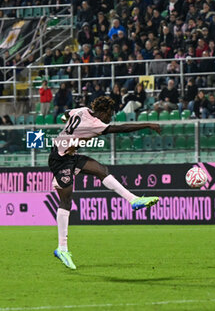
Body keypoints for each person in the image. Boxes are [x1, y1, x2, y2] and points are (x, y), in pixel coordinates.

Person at [49, 96, 160, 269]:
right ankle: (62, 248)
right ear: (104, 112)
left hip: (69, 154)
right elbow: (122, 129)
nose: (110, 118)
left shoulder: (82, 110)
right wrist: (147, 124)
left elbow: (65, 114)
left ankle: (133, 200)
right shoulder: (95, 123)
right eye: (110, 114)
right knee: (66, 200)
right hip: (60, 158)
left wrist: (69, 127)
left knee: (101, 170)